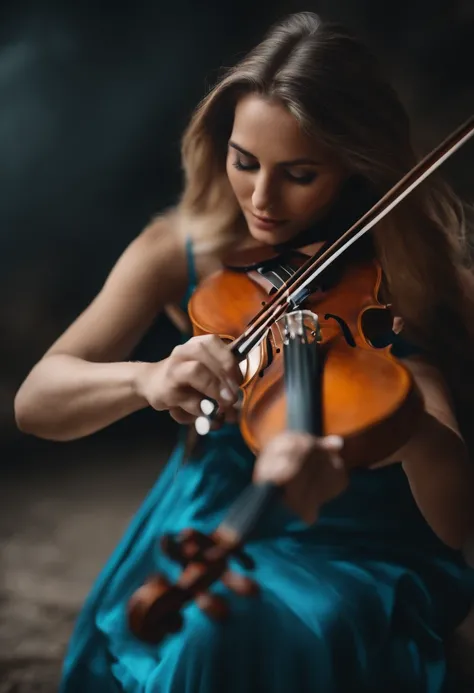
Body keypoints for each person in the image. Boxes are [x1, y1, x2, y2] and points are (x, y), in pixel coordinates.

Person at [13, 11, 474, 693]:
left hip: (360, 549)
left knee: (263, 629)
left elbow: (459, 517)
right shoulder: (182, 250)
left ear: (355, 162)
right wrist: (145, 377)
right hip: (219, 519)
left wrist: (401, 423)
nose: (262, 198)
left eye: (300, 173)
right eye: (244, 161)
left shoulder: (409, 273)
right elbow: (36, 403)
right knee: (211, 627)